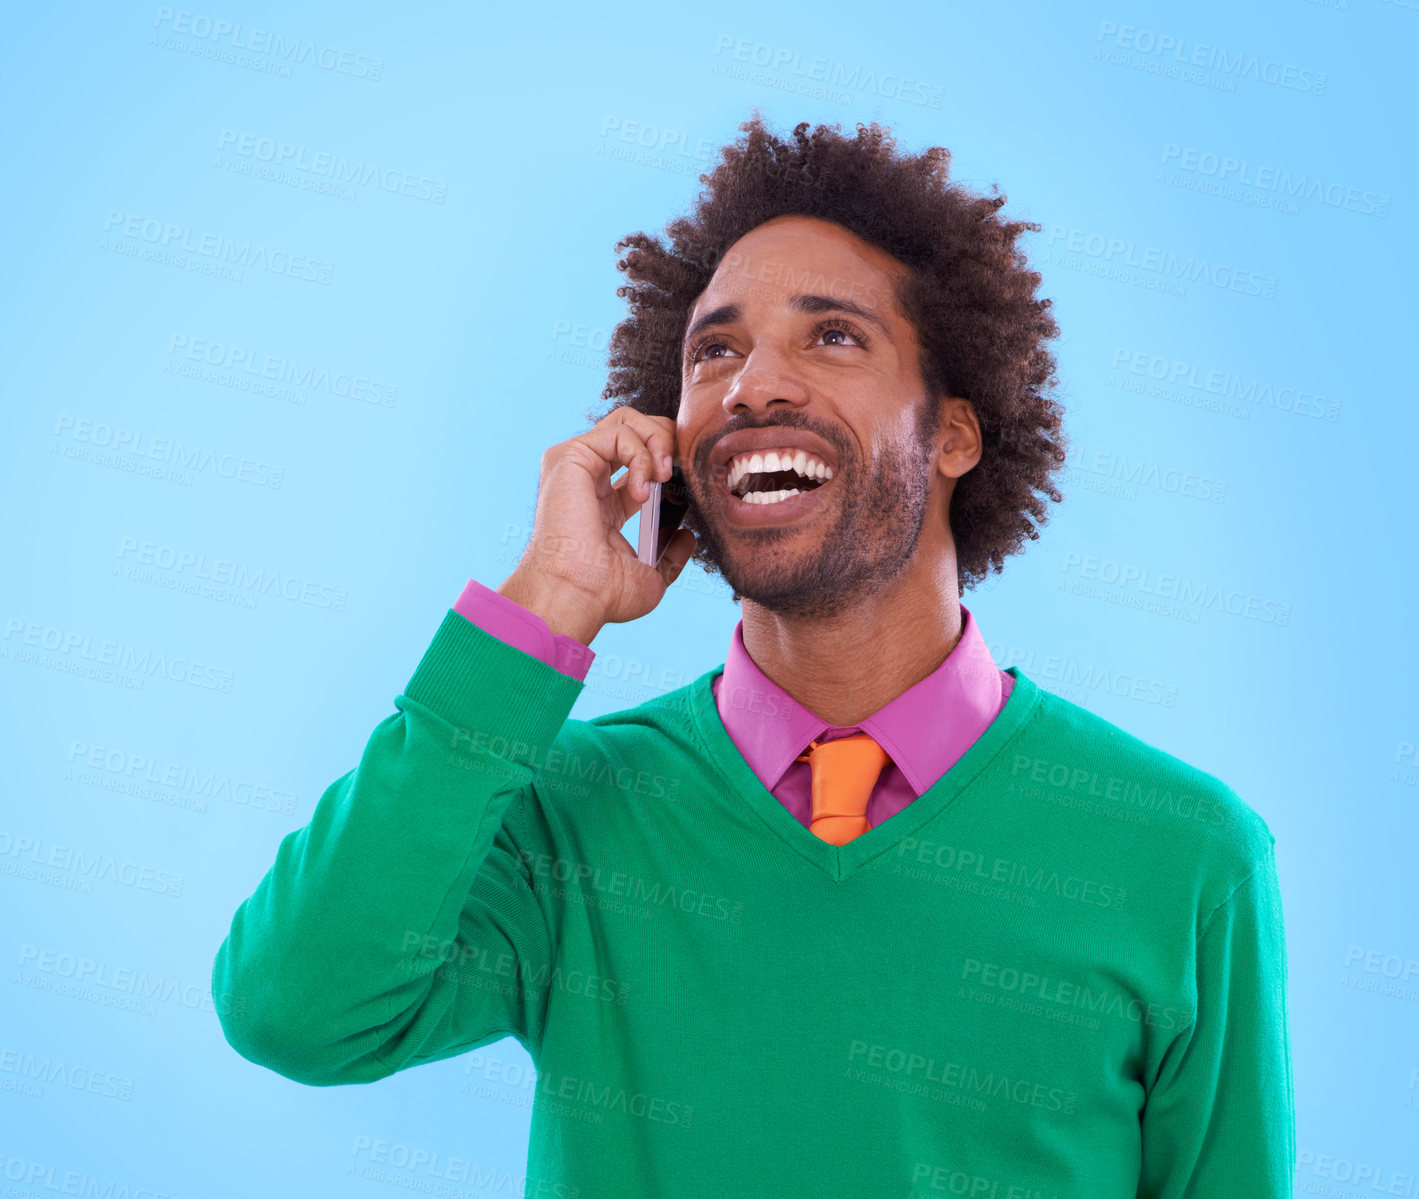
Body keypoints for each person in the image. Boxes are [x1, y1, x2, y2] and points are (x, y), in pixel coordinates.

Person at [212, 115, 1294, 1197]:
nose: (749, 387)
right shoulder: (567, 814)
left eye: (831, 336)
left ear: (954, 433)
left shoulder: (1183, 855)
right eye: (713, 350)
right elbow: (292, 1008)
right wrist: (547, 599)